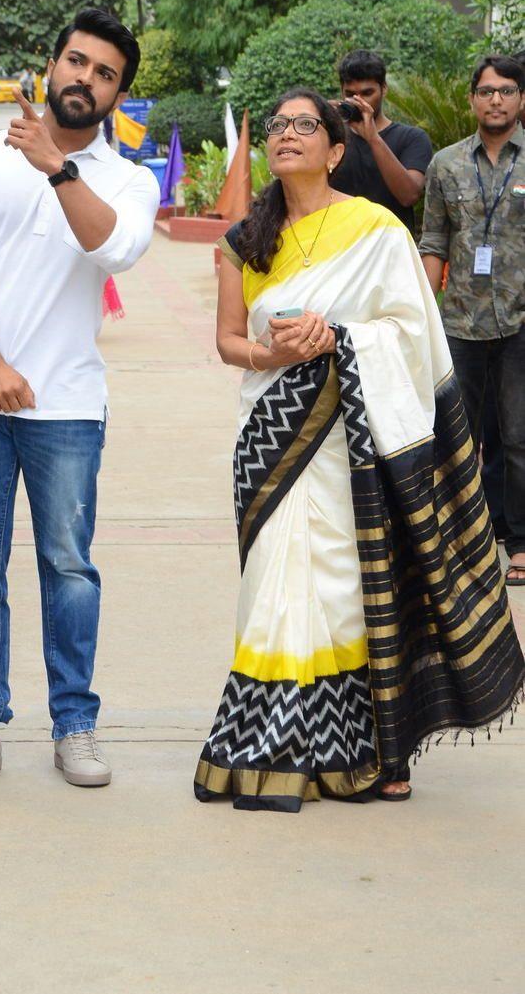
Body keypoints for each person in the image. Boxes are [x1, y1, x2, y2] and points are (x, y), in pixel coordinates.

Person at [194, 87, 523, 813]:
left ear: (336, 149)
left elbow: (414, 331)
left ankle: (367, 747)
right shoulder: (242, 240)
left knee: (347, 585)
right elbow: (226, 343)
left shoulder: (377, 230)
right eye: (277, 125)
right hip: (274, 435)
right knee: (272, 588)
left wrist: (340, 339)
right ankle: (275, 743)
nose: (286, 135)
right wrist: (273, 353)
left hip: (356, 441)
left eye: (305, 125)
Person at [0, 7, 160, 791]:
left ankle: (75, 725)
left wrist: (58, 166)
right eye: (76, 62)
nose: (85, 79)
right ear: (50, 66)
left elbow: (114, 248)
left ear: (118, 92)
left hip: (68, 408)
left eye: (104, 73)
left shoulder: (127, 178)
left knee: (68, 566)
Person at [419, 55, 525, 586]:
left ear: (521, 99)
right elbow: (435, 239)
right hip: (460, 320)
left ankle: (521, 542)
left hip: (521, 322)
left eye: (506, 90)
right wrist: (423, 312)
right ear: (472, 99)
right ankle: (461, 538)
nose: (496, 100)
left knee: (519, 434)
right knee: (454, 432)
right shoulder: (445, 164)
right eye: (486, 91)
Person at [329, 50, 432, 235]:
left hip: (390, 249)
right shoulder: (332, 138)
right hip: (339, 245)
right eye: (351, 94)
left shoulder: (412, 138)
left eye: (367, 93)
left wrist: (373, 137)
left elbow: (409, 195)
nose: (359, 101)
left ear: (384, 88)